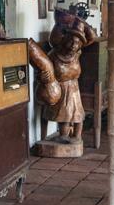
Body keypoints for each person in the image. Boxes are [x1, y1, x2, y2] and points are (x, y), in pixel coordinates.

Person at [28, 8, 99, 143]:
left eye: (77, 44)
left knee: (78, 115)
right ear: (64, 40)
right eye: (71, 42)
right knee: (63, 115)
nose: (73, 45)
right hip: (60, 89)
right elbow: (43, 71)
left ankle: (77, 138)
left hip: (74, 88)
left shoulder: (77, 53)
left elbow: (92, 37)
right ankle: (64, 137)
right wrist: (44, 78)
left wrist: (82, 22)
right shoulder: (54, 55)